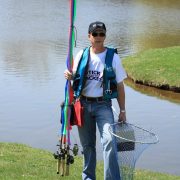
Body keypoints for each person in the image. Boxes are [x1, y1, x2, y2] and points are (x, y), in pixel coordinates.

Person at [64, 21, 127, 180]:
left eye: (102, 34)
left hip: (103, 106)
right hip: (83, 105)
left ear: (105, 36)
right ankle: (88, 177)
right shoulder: (81, 55)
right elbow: (74, 78)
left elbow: (120, 86)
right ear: (89, 36)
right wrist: (69, 76)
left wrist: (123, 111)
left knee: (109, 141)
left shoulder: (113, 57)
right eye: (95, 34)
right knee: (88, 146)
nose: (99, 37)